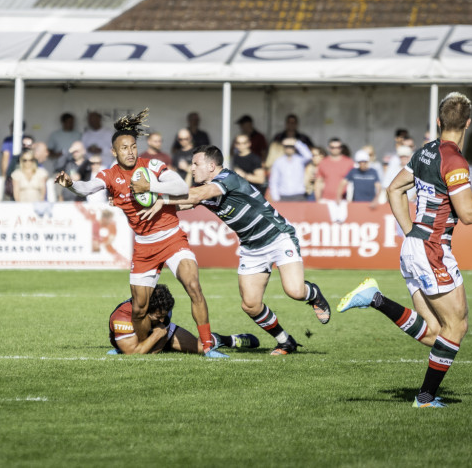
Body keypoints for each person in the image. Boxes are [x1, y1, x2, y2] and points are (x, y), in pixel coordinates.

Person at [337, 92, 472, 408]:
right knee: (457, 325)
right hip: (433, 249)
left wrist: (410, 232)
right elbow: (467, 214)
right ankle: (425, 398)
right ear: (468, 123)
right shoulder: (454, 160)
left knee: (435, 332)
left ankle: (375, 299)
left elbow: (394, 188)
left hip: (414, 246)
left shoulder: (424, 152)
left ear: (439, 122)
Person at [55, 109, 227, 358]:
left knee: (193, 286)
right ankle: (141, 345)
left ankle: (208, 347)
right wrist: (71, 184)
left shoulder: (152, 166)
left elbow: (180, 186)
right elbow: (86, 188)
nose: (130, 152)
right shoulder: (110, 175)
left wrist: (150, 186)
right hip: (144, 247)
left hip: (172, 238)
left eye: (133, 146)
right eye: (124, 148)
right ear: (114, 152)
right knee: (138, 309)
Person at [141, 144, 332, 355]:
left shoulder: (226, 179)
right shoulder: (205, 189)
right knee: (250, 305)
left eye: (196, 164)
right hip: (251, 247)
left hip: (278, 237)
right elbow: (181, 204)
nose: (192, 169)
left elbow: (195, 195)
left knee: (295, 291)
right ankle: (285, 341)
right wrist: (136, 201)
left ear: (212, 165)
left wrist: (159, 195)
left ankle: (313, 294)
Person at [109, 284, 259, 355]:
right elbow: (133, 355)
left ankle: (229, 340)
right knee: (136, 348)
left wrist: (157, 339)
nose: (162, 320)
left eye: (164, 316)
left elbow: (160, 335)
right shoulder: (123, 317)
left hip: (157, 334)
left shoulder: (162, 316)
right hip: (144, 334)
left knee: (201, 348)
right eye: (157, 317)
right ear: (145, 310)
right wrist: (156, 335)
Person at [269, 137, 311, 201]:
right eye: (287, 146)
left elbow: (309, 156)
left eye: (291, 146)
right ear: (284, 147)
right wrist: (276, 197)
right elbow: (274, 180)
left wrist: (296, 143)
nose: (289, 148)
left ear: (295, 148)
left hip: (299, 195)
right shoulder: (278, 162)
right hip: (283, 196)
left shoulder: (299, 160)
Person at [314, 137, 354, 202]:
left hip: (343, 200)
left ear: (341, 148)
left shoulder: (349, 162)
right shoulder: (323, 162)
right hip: (326, 199)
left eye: (338, 147)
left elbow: (353, 183)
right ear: (329, 148)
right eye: (333, 147)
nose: (335, 149)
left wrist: (350, 200)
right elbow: (319, 182)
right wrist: (318, 200)